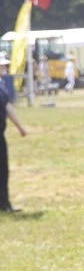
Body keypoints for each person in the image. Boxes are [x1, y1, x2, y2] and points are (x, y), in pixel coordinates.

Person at [0, 56, 29, 213]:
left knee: (3, 170)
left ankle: (4, 203)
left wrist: (20, 127)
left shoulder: (2, 84)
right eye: (2, 66)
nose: (4, 68)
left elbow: (7, 107)